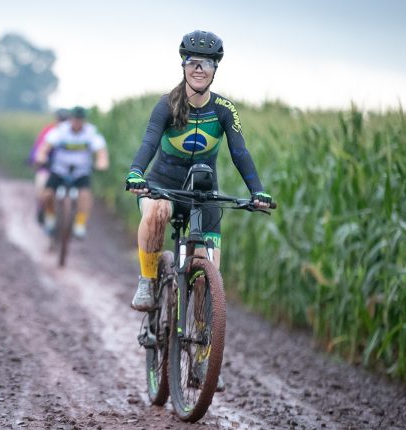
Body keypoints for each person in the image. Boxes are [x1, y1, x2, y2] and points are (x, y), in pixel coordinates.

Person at [125, 29, 273, 391]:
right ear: (183, 65)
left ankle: (200, 361)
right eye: (193, 62)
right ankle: (147, 282)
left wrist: (258, 192)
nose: (199, 69)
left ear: (215, 68)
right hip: (161, 185)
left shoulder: (224, 110)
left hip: (203, 195)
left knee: (209, 281)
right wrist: (136, 173)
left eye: (206, 63)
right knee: (156, 213)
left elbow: (240, 152)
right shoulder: (167, 104)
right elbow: (148, 142)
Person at [35, 106, 109, 239]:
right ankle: (50, 217)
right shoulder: (60, 131)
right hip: (60, 169)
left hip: (81, 171)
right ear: (71, 119)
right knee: (47, 194)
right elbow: (45, 147)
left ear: (84, 120)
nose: (77, 122)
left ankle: (80, 224)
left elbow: (101, 152)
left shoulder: (91, 133)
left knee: (85, 195)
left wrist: (101, 162)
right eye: (75, 119)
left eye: (80, 120)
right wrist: (42, 156)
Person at [28, 108, 70, 224]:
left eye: (65, 120)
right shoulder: (49, 131)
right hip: (48, 167)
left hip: (67, 169)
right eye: (61, 119)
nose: (63, 123)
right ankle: (42, 208)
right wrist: (35, 159)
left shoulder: (73, 134)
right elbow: (38, 148)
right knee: (42, 186)